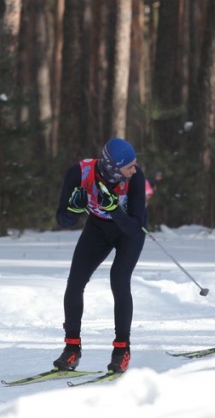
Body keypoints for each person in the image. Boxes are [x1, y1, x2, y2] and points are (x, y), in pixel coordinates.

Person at [53, 138, 147, 373]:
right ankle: (71, 348)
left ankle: (121, 349)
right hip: (98, 228)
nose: (134, 169)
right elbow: (63, 220)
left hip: (128, 233)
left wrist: (115, 209)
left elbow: (135, 227)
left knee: (119, 280)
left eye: (134, 164)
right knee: (75, 282)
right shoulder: (79, 173)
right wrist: (74, 210)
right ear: (113, 168)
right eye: (129, 166)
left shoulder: (136, 179)